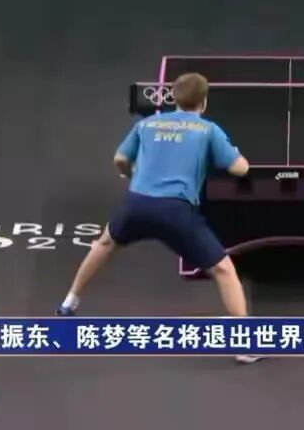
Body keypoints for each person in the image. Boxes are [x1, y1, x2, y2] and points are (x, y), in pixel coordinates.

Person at [55, 72, 260, 364]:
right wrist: (233, 154)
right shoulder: (208, 130)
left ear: (173, 98)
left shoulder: (147, 124)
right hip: (176, 211)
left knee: (104, 244)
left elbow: (120, 159)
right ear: (203, 102)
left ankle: (68, 304)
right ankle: (245, 344)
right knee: (223, 270)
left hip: (135, 204)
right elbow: (240, 169)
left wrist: (129, 175)